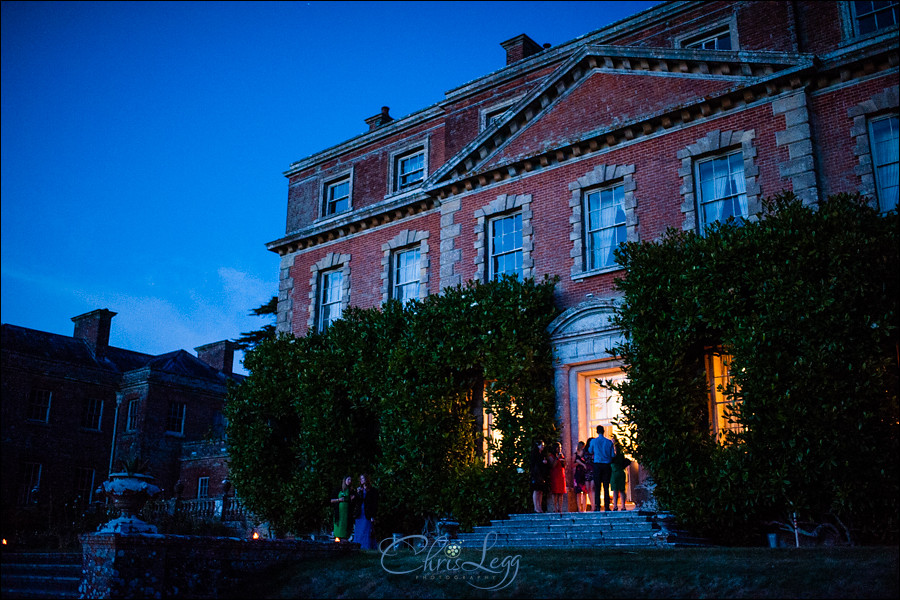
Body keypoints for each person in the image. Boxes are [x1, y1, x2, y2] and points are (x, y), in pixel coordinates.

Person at [588, 425, 615, 511]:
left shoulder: (593, 441)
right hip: (606, 464)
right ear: (604, 431)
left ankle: (598, 506)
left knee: (597, 486)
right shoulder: (609, 442)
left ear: (597, 431)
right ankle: (607, 506)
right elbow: (612, 455)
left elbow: (590, 451)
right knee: (606, 486)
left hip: (597, 464)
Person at [353, 473, 378, 549]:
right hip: (360, 513)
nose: (361, 480)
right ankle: (357, 546)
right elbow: (357, 502)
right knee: (359, 531)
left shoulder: (372, 490)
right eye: (360, 479)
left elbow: (374, 503)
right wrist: (357, 494)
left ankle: (366, 546)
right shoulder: (359, 490)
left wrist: (373, 515)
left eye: (363, 478)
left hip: (367, 513)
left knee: (366, 530)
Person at [610, 436, 632, 511]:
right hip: (621, 471)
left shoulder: (612, 452)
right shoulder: (621, 452)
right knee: (622, 490)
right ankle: (623, 506)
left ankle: (615, 506)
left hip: (614, 472)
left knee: (615, 490)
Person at [330, 475, 354, 540]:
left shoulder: (351, 490)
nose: (349, 481)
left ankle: (345, 538)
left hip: (347, 511)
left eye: (350, 480)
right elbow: (331, 500)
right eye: (348, 479)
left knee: (345, 525)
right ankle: (337, 538)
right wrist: (339, 500)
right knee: (338, 525)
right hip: (339, 510)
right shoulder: (338, 489)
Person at [529, 440, 549, 513]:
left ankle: (539, 506)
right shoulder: (535, 454)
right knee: (536, 490)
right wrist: (542, 462)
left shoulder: (542, 454)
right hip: (536, 474)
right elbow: (533, 463)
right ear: (538, 446)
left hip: (541, 474)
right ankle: (536, 506)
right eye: (541, 445)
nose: (543, 446)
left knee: (540, 491)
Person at [548, 442, 567, 513]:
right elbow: (552, 465)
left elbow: (564, 466)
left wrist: (564, 461)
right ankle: (555, 508)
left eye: (560, 448)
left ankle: (560, 508)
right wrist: (557, 458)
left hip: (561, 474)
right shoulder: (551, 456)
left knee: (561, 492)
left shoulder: (561, 455)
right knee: (555, 492)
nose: (559, 449)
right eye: (558, 448)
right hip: (555, 475)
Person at [573, 441, 588, 512]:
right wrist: (580, 463)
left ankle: (584, 508)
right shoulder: (575, 455)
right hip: (578, 473)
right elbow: (572, 465)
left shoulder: (585, 455)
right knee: (578, 492)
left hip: (584, 473)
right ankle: (579, 508)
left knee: (585, 491)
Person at [583, 436, 595, 511]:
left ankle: (594, 506)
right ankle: (592, 504)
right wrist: (582, 464)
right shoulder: (585, 451)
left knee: (593, 487)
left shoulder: (595, 450)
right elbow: (577, 457)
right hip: (587, 470)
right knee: (588, 488)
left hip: (593, 469)